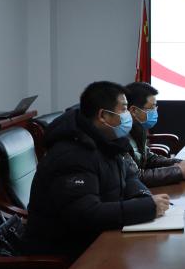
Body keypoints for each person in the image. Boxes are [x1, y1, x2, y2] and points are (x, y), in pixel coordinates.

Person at [24, 81, 171, 258]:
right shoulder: (71, 156)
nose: (128, 116)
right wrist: (146, 208)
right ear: (103, 116)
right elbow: (86, 215)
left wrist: (143, 197)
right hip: (66, 256)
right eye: (124, 109)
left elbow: (130, 177)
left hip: (98, 241)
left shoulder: (109, 141)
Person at [123, 81, 185, 186]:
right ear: (134, 110)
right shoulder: (118, 135)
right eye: (151, 108)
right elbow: (135, 177)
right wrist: (178, 171)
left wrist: (177, 163)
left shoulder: (137, 128)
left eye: (155, 107)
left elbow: (148, 159)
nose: (155, 111)